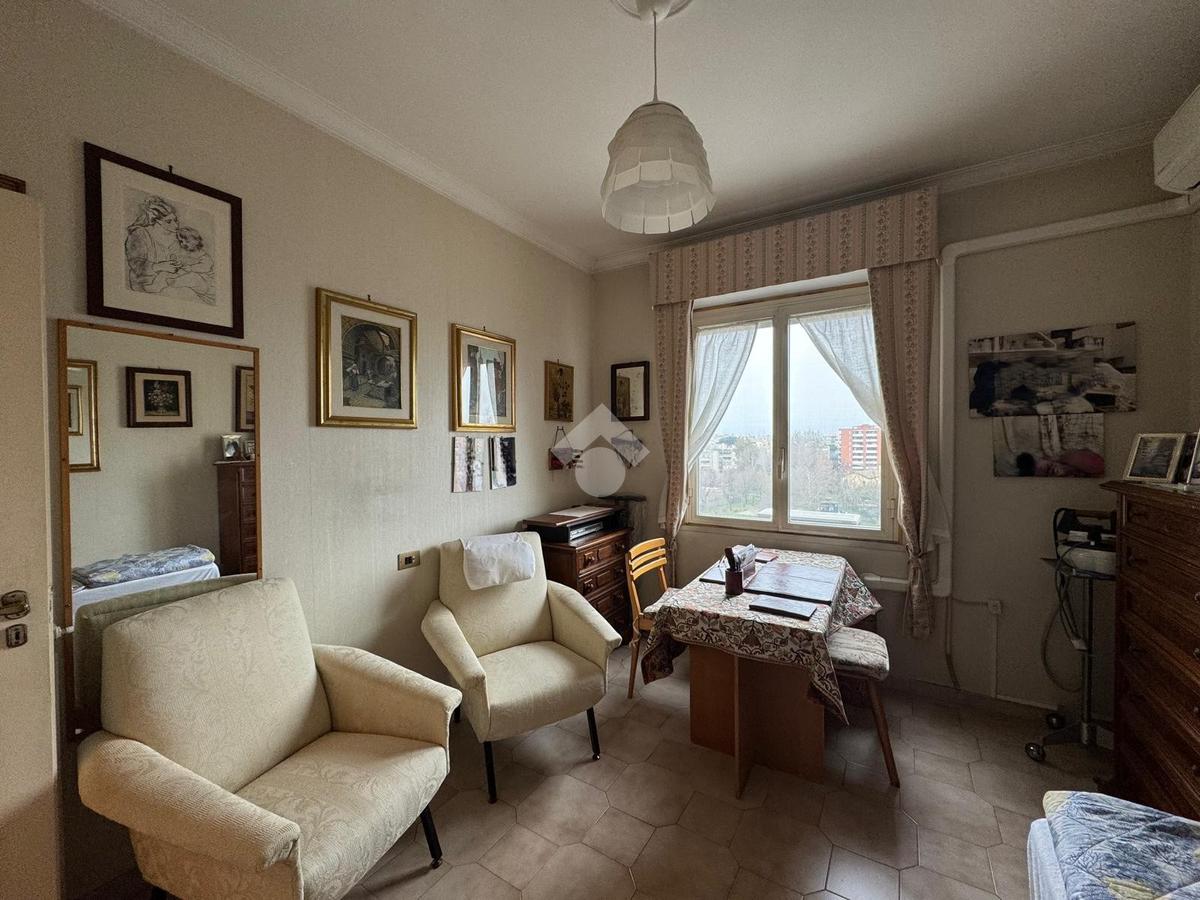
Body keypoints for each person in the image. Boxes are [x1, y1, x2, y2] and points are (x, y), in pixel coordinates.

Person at [125, 196, 182, 293]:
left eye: (175, 220)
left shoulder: (174, 236)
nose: (176, 225)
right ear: (155, 220)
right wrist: (160, 266)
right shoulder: (139, 234)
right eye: (168, 221)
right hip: (145, 285)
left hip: (167, 282)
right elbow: (136, 265)